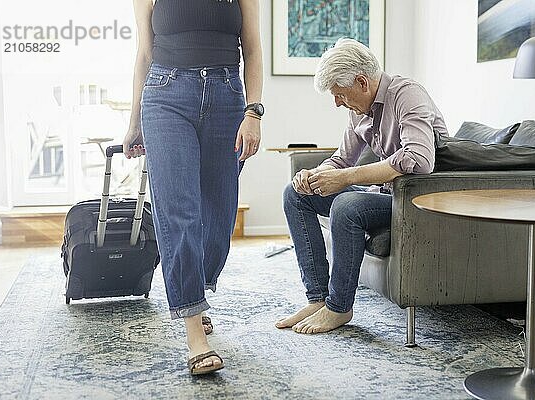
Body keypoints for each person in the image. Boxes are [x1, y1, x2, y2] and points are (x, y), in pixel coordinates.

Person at [123, 0, 263, 375]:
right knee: (179, 213)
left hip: (227, 97)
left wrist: (254, 113)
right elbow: (144, 53)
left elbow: (252, 49)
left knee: (219, 215)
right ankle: (194, 331)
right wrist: (133, 120)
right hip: (166, 96)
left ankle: (195, 291)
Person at [276, 38, 447, 334]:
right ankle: (318, 299)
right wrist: (316, 175)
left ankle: (339, 308)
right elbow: (342, 159)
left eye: (340, 94)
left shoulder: (407, 95)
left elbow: (419, 160)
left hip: (417, 199)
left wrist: (346, 178)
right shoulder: (358, 110)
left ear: (361, 82)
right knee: (295, 195)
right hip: (384, 196)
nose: (337, 102)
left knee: (347, 205)